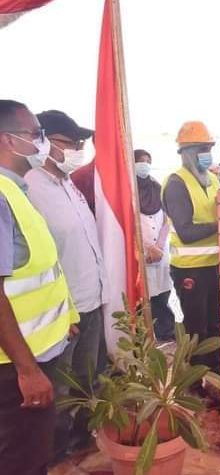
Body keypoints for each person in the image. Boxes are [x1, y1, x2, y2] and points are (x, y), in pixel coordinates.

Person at [0, 100, 79, 475]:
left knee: (33, 453)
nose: (41, 143)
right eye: (36, 134)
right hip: (14, 369)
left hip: (34, 355)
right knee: (22, 461)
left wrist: (65, 318)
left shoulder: (17, 191)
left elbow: (40, 270)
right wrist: (27, 370)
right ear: (7, 140)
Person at [25, 110, 109, 459]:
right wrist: (64, 311)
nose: (77, 149)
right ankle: (56, 453)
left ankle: (81, 440)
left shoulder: (69, 185)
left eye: (79, 144)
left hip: (92, 300)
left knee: (89, 378)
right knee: (62, 387)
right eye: (69, 143)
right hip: (64, 312)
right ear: (44, 142)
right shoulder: (30, 188)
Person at [162, 121, 220, 375]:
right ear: (187, 152)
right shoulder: (177, 184)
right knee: (197, 330)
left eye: (209, 148)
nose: (207, 154)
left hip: (215, 267)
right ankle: (196, 380)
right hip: (191, 270)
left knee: (216, 325)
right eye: (202, 149)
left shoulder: (214, 179)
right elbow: (186, 233)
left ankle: (215, 374)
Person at [134, 149, 175, 343]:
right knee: (142, 297)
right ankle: (143, 338)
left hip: (161, 250)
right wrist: (147, 247)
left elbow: (167, 220)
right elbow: (128, 224)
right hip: (139, 251)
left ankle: (166, 332)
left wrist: (158, 246)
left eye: (148, 161)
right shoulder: (128, 191)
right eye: (141, 161)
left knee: (162, 294)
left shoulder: (157, 187)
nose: (145, 165)